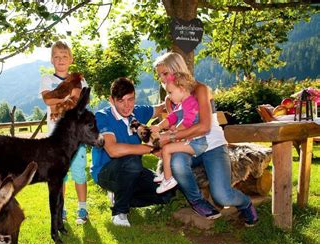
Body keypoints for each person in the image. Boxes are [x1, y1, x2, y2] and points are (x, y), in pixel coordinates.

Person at [153, 52, 258, 226]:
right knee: (177, 162)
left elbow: (204, 126)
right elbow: (181, 123)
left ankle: (245, 203)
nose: (162, 80)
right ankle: (197, 201)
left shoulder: (200, 89)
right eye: (159, 76)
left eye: (165, 74)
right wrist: (164, 138)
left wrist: (169, 136)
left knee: (222, 195)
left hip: (212, 145)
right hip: (189, 146)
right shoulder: (170, 98)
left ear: (176, 69)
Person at [90, 77, 175, 227]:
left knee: (167, 194)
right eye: (121, 101)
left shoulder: (137, 112)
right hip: (105, 171)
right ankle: (119, 213)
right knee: (132, 161)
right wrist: (152, 149)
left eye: (130, 99)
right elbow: (113, 150)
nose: (126, 106)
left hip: (132, 171)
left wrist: (170, 100)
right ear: (111, 100)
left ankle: (122, 196)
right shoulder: (102, 117)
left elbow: (159, 107)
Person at [40, 40, 89, 225]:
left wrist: (60, 97)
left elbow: (80, 102)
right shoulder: (47, 79)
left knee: (79, 173)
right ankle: (61, 209)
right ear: (52, 60)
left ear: (71, 59)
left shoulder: (80, 80)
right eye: (57, 57)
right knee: (60, 175)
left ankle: (82, 208)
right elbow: (48, 100)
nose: (61, 60)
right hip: (56, 138)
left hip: (76, 136)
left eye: (64, 56)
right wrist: (68, 96)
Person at [151, 72, 207, 194]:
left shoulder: (191, 102)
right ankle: (166, 174)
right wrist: (158, 126)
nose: (169, 97)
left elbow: (187, 122)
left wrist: (174, 130)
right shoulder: (182, 104)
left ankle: (168, 180)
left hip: (197, 143)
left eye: (170, 93)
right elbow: (172, 117)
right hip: (190, 141)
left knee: (166, 150)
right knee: (166, 148)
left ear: (181, 89)